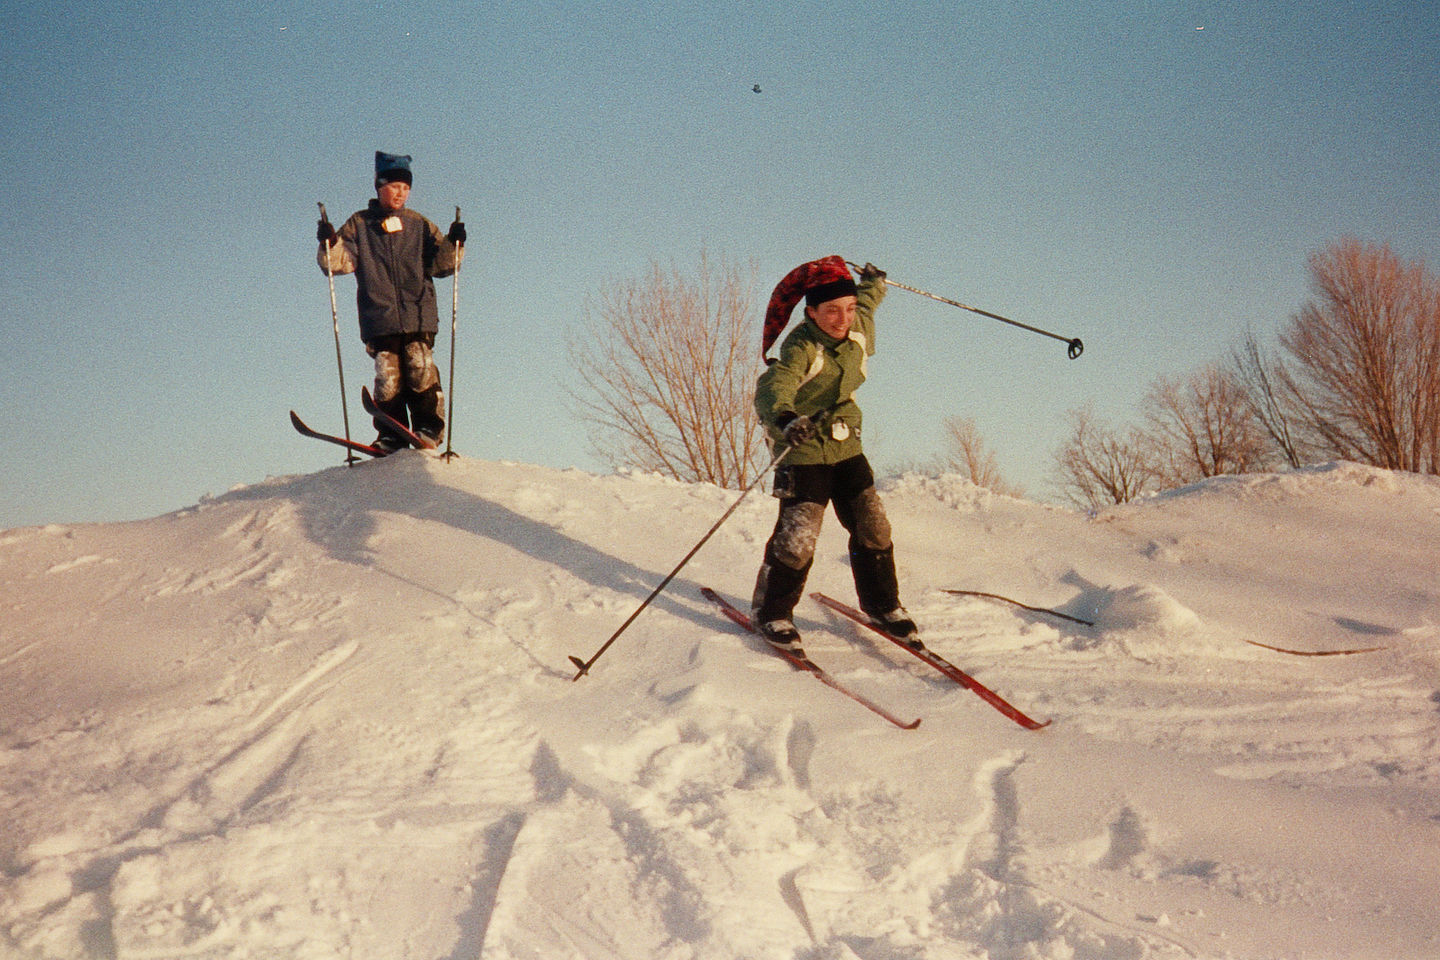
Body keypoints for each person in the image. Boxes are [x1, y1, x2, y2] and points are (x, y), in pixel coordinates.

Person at [750, 255, 918, 654]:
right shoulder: (801, 347)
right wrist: (788, 419)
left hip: (846, 443)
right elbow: (773, 389)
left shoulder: (857, 325)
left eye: (848, 309)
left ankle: (883, 606)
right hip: (802, 445)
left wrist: (873, 283)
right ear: (811, 312)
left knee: (872, 523)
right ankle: (771, 611)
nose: (842, 319)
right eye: (831, 311)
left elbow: (868, 300)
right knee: (799, 536)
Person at [317, 151, 465, 453]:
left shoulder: (418, 224)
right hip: (380, 316)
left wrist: (454, 243)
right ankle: (391, 433)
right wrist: (329, 243)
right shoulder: (360, 224)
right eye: (394, 186)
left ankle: (427, 427)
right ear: (379, 185)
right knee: (388, 375)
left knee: (419, 365)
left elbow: (442, 265)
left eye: (406, 188)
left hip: (418, 313)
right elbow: (339, 264)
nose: (401, 193)